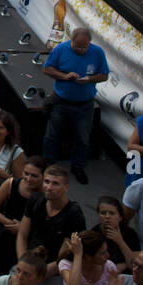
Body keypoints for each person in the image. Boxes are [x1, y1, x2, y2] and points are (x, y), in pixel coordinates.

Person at [41, 27, 110, 184]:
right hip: (61, 101)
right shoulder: (61, 49)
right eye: (77, 47)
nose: (80, 50)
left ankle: (78, 166)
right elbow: (47, 69)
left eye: (84, 47)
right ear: (71, 40)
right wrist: (65, 76)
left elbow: (104, 75)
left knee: (83, 138)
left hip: (85, 105)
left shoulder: (97, 52)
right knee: (51, 136)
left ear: (89, 44)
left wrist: (89, 79)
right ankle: (49, 164)